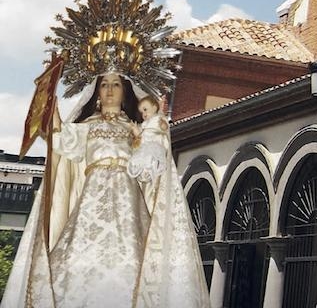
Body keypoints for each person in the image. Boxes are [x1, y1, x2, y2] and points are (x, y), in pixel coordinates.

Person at [2, 73, 210, 308]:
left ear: (126, 91)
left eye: (116, 84)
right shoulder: (87, 127)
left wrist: (148, 143)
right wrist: (50, 101)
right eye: (104, 85)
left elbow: (150, 169)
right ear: (96, 92)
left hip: (128, 202)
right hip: (92, 201)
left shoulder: (137, 129)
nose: (110, 89)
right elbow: (59, 138)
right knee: (72, 264)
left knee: (135, 260)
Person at [127, 95, 170, 183]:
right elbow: (140, 135)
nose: (144, 114)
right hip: (145, 142)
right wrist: (135, 129)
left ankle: (151, 168)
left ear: (154, 108)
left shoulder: (158, 118)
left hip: (154, 141)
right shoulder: (144, 124)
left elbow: (165, 128)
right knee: (141, 156)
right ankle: (144, 169)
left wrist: (163, 125)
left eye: (145, 109)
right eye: (142, 112)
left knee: (152, 155)